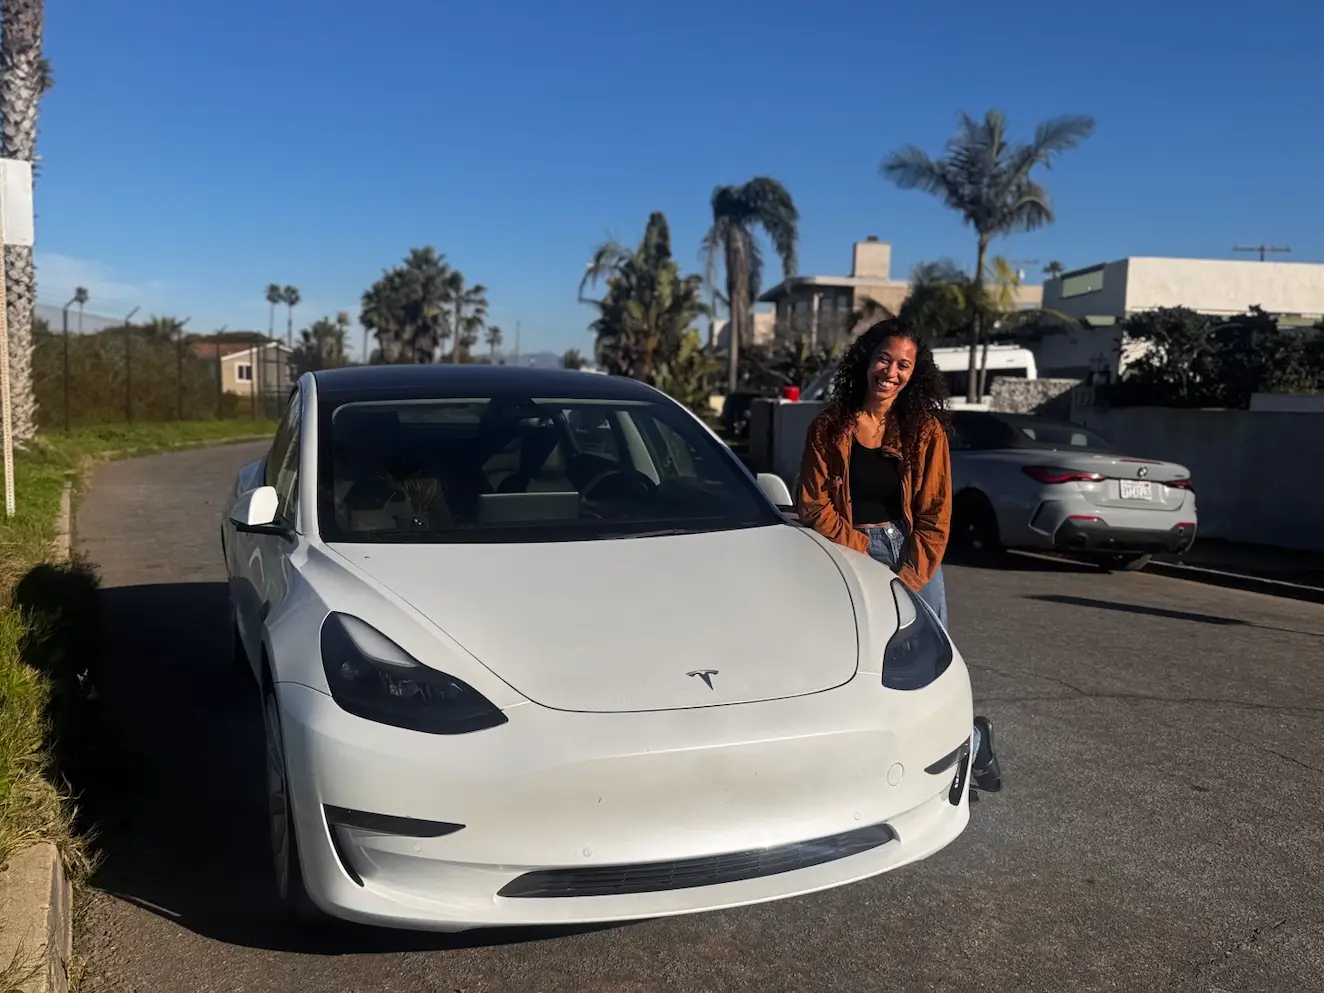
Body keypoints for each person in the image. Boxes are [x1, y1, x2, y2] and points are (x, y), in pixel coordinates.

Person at [796, 318, 1002, 794]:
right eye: (884, 359)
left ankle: (964, 747)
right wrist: (862, 549)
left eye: (903, 365)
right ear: (866, 360)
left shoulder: (924, 432)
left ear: (915, 373)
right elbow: (812, 504)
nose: (891, 372)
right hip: (851, 548)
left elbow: (935, 512)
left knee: (929, 666)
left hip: (912, 551)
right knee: (860, 661)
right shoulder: (830, 426)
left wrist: (911, 573)